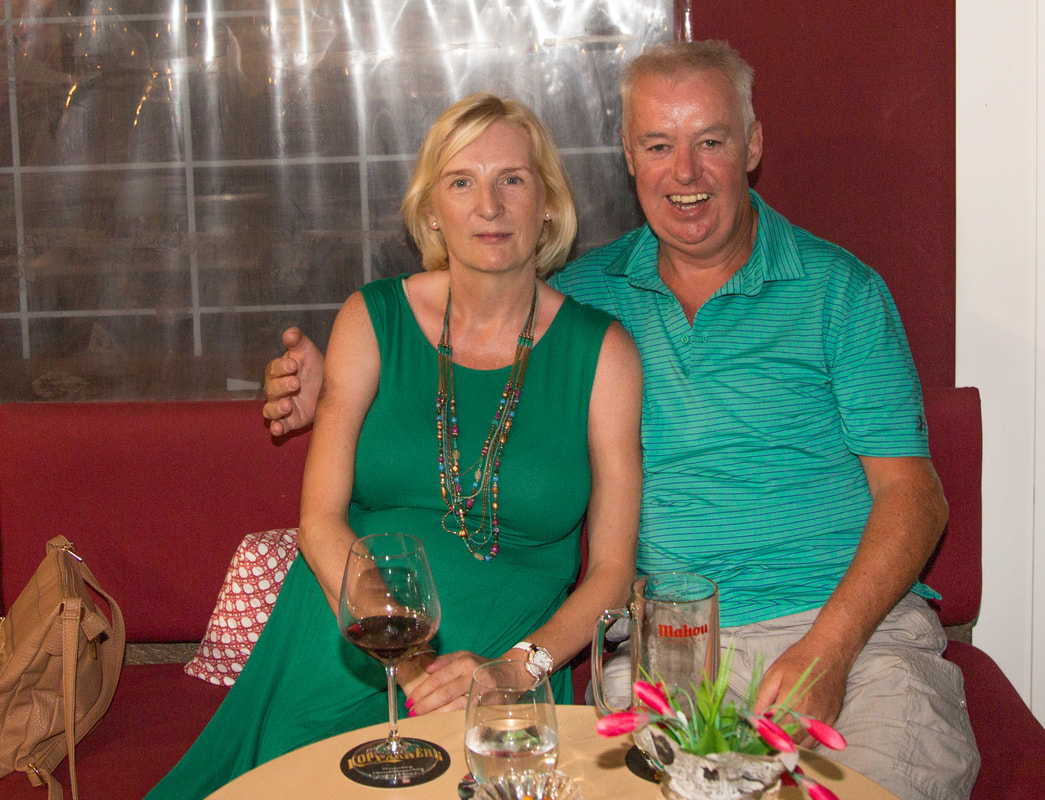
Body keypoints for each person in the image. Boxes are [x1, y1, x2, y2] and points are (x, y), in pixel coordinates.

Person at [263, 41, 979, 800]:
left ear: (752, 146)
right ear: (629, 159)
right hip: (668, 645)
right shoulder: (585, 307)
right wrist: (334, 386)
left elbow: (916, 497)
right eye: (658, 145)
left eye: (710, 141)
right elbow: (467, 340)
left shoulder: (839, 292)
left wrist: (827, 651)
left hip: (847, 634)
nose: (685, 173)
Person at [148, 93, 642, 799]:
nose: (490, 206)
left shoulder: (604, 354)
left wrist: (513, 671)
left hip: (511, 669)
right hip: (353, 643)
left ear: (548, 205)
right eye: (462, 182)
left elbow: (613, 572)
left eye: (512, 179)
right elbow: (320, 521)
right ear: (431, 210)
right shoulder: (371, 318)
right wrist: (408, 663)